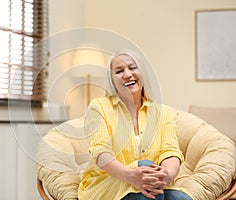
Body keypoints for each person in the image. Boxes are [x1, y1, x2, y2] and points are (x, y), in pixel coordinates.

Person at [78, 49, 192, 200]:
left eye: (132, 68)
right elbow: (100, 152)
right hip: (109, 185)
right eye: (119, 71)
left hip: (151, 185)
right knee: (145, 170)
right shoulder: (99, 107)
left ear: (143, 73)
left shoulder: (164, 113)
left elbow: (170, 152)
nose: (127, 74)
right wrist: (130, 175)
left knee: (181, 199)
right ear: (112, 80)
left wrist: (166, 175)